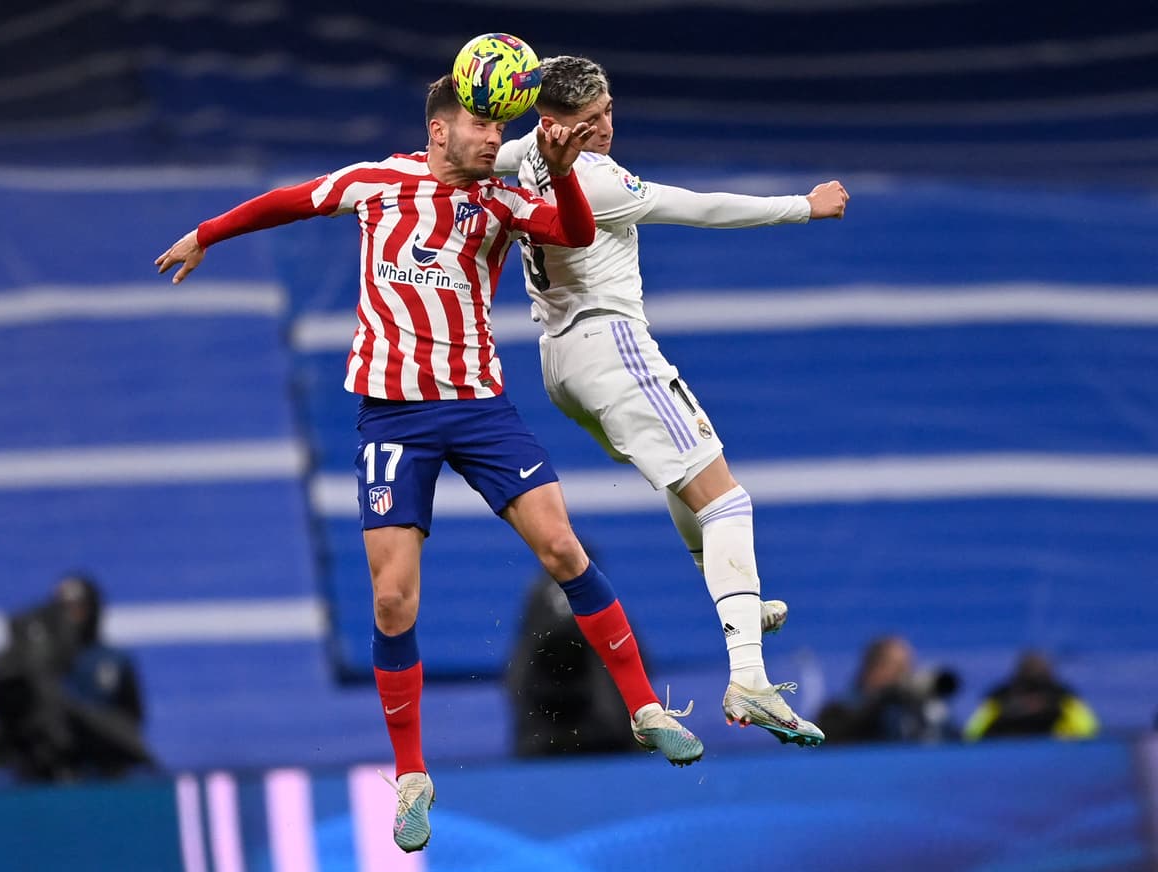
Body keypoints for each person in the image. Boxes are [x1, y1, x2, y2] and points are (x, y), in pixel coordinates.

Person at [156, 75, 704, 854]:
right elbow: (287, 199)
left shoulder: (502, 203)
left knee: (562, 549)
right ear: (440, 132)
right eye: (484, 127)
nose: (495, 140)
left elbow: (574, 233)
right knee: (390, 603)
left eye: (502, 129)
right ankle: (412, 776)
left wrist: (561, 164)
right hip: (393, 415)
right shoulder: (377, 183)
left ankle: (647, 708)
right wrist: (208, 233)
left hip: (479, 409)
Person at [493, 56, 849, 747]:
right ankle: (748, 674)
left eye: (607, 112)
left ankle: (734, 600)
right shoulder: (596, 179)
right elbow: (699, 208)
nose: (602, 129)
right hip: (609, 343)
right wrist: (806, 205)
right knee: (727, 500)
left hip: (560, 365)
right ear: (553, 121)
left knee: (680, 478)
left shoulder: (522, 154)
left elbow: (486, 154)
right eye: (586, 120)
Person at [0, 573, 151, 782]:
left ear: (94, 609)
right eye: (62, 608)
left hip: (101, 773)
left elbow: (131, 723)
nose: (71, 615)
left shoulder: (114, 661)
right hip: (42, 777)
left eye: (78, 607)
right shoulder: (31, 663)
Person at [506, 561, 642, 757]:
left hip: (574, 730)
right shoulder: (543, 598)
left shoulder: (538, 594)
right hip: (587, 728)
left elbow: (517, 671)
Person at [815, 635, 960, 744]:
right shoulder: (838, 711)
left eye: (909, 667)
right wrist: (885, 699)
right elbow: (836, 737)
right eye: (898, 668)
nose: (906, 675)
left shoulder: (913, 714)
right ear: (873, 670)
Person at [963, 650, 1099, 741]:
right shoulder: (999, 700)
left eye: (1039, 688)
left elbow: (1090, 732)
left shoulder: (1064, 700)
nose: (1032, 700)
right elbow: (972, 735)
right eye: (1028, 687)